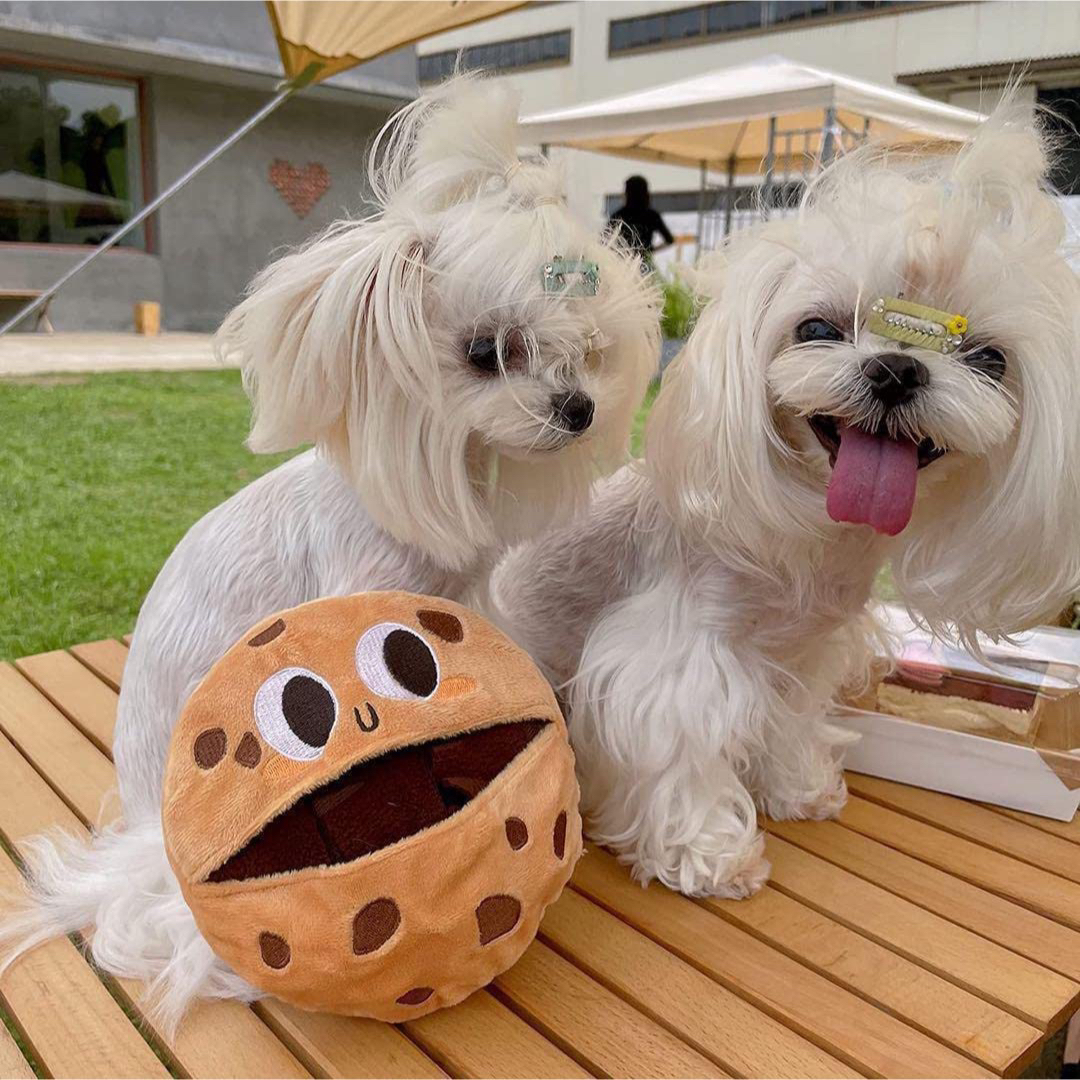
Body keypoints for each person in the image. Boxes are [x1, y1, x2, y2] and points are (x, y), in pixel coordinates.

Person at [607, 175, 673, 263]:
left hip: (623, 262)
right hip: (644, 262)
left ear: (628, 193)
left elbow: (606, 240)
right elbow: (669, 240)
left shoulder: (619, 215)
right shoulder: (652, 215)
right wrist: (650, 250)